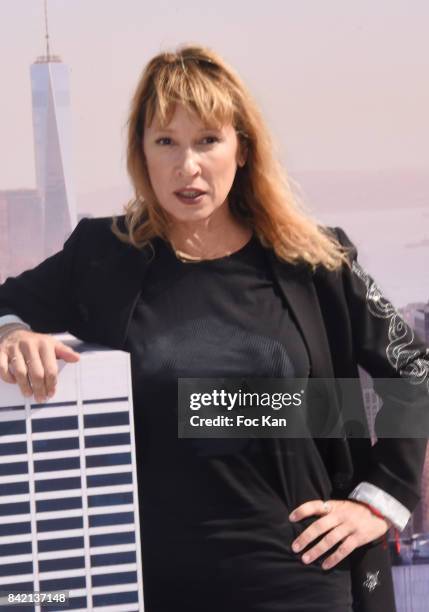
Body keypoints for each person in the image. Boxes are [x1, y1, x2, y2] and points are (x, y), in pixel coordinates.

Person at [0, 44, 428, 612]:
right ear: (142, 155)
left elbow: (413, 369)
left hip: (302, 580)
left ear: (242, 148)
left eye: (207, 140)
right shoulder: (103, 257)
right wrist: (12, 332)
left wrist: (379, 501)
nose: (187, 166)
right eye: (166, 142)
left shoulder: (316, 259)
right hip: (153, 584)